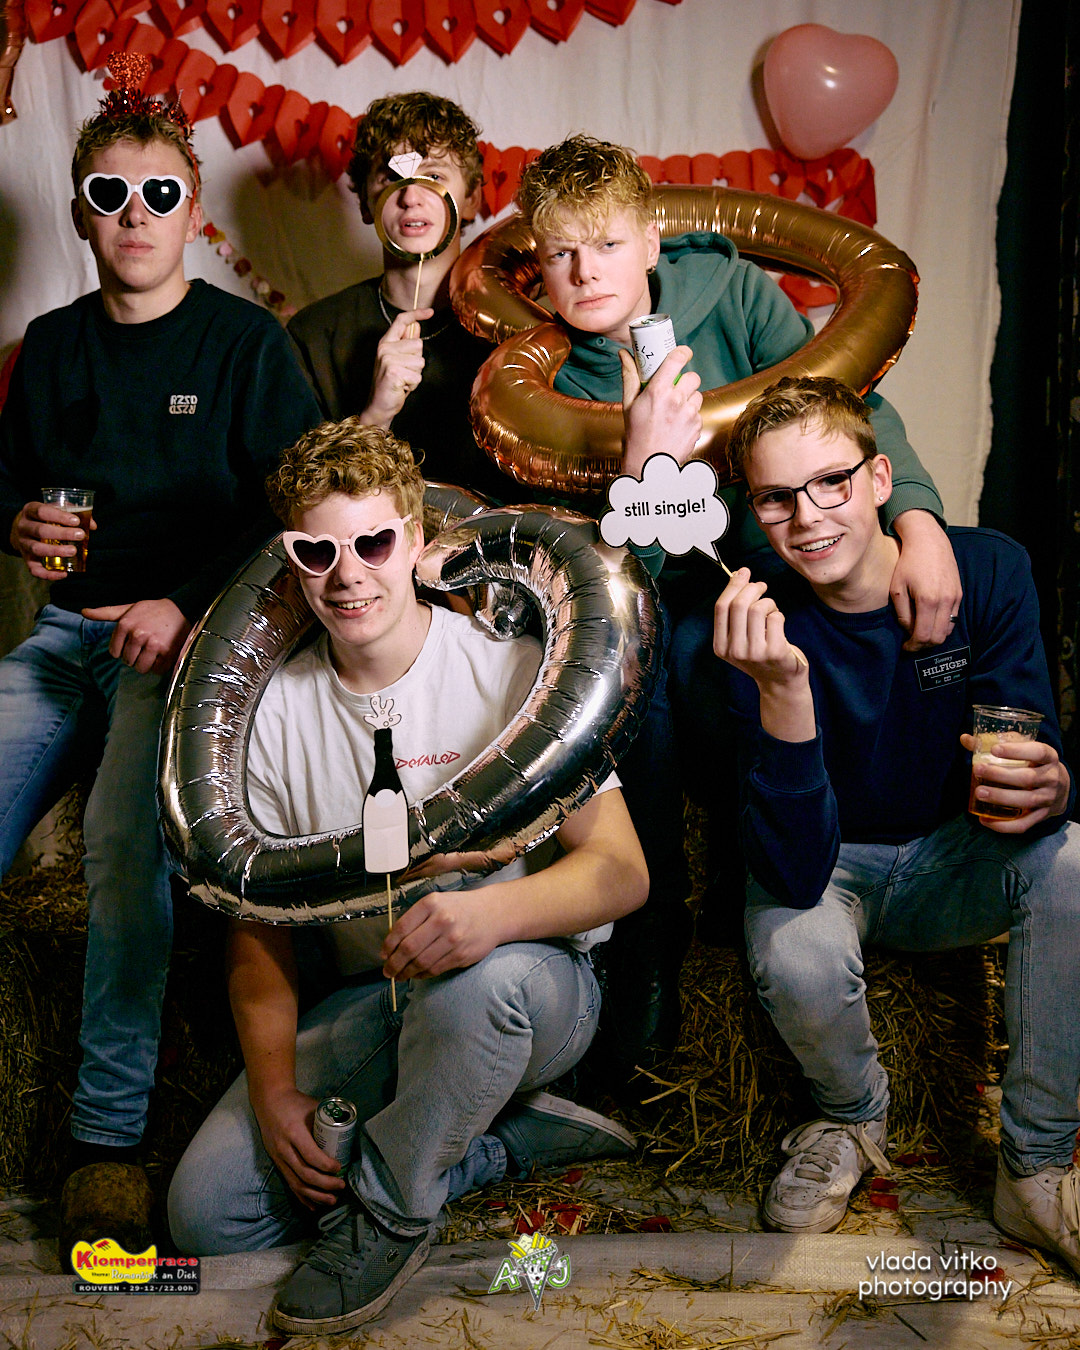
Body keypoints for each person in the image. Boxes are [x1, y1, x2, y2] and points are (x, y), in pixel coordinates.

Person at [167, 420, 648, 1334]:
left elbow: (623, 872)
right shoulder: (273, 718)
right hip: (376, 998)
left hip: (530, 985)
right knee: (208, 1217)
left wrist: (492, 917)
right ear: (291, 561)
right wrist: (273, 1092)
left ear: (417, 538)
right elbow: (256, 927)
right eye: (318, 552)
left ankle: (392, 1215)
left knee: (476, 987)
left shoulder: (512, 668)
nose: (348, 575)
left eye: (374, 543)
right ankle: (496, 1146)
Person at [510, 137, 963, 1069]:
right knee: (644, 684)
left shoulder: (736, 295)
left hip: (768, 569)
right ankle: (650, 936)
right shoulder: (548, 376)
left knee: (710, 658)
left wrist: (919, 519)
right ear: (539, 267)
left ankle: (744, 878)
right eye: (561, 254)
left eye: (607, 245)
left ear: (649, 242)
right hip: (636, 593)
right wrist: (642, 465)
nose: (586, 273)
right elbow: (601, 572)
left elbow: (843, 409)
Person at [0, 59, 321, 1238]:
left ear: (193, 214)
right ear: (82, 213)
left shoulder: (246, 346)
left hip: (177, 647)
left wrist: (185, 604)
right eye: (109, 194)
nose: (133, 215)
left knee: (122, 849)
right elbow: (8, 482)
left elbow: (295, 513)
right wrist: (13, 521)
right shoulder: (50, 343)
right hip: (58, 636)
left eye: (158, 194)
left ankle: (106, 1141)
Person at [673, 375, 1079, 1272]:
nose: (808, 516)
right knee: (791, 942)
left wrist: (1054, 785)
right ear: (753, 510)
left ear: (882, 479)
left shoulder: (987, 570)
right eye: (777, 497)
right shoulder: (743, 624)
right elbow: (789, 871)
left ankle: (1037, 1167)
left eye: (832, 482)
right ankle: (852, 1118)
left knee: (1076, 859)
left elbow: (1031, 753)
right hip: (831, 868)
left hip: (955, 857)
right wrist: (783, 692)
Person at [287, 91, 520, 504]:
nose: (411, 195)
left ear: (471, 200)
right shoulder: (313, 335)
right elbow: (305, 503)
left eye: (434, 176)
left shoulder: (518, 328)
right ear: (365, 202)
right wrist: (376, 414)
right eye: (391, 178)